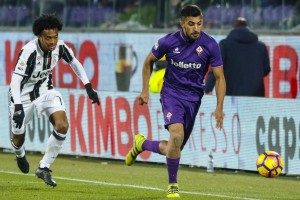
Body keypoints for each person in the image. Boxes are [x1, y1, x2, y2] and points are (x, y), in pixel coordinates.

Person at [125, 4, 226, 198]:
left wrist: (219, 107)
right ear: (182, 24)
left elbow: (220, 77)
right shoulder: (168, 42)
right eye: (191, 24)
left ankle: (141, 144)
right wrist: (145, 91)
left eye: (199, 23)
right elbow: (147, 62)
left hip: (194, 98)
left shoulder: (210, 44)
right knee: (176, 135)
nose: (196, 28)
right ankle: (173, 186)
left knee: (174, 147)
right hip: (171, 94)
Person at [9, 14, 100, 187]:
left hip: (46, 91)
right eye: (48, 38)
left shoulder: (60, 47)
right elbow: (15, 80)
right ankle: (19, 154)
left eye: (55, 37)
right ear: (39, 36)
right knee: (18, 137)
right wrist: (19, 106)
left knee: (62, 125)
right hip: (22, 96)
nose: (52, 41)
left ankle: (44, 167)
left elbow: (75, 63)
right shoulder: (29, 51)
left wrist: (88, 85)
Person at [205, 17, 271, 97]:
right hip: (256, 95)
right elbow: (266, 69)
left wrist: (208, 88)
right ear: (247, 28)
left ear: (233, 28)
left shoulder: (225, 45)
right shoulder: (261, 47)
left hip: (232, 94)